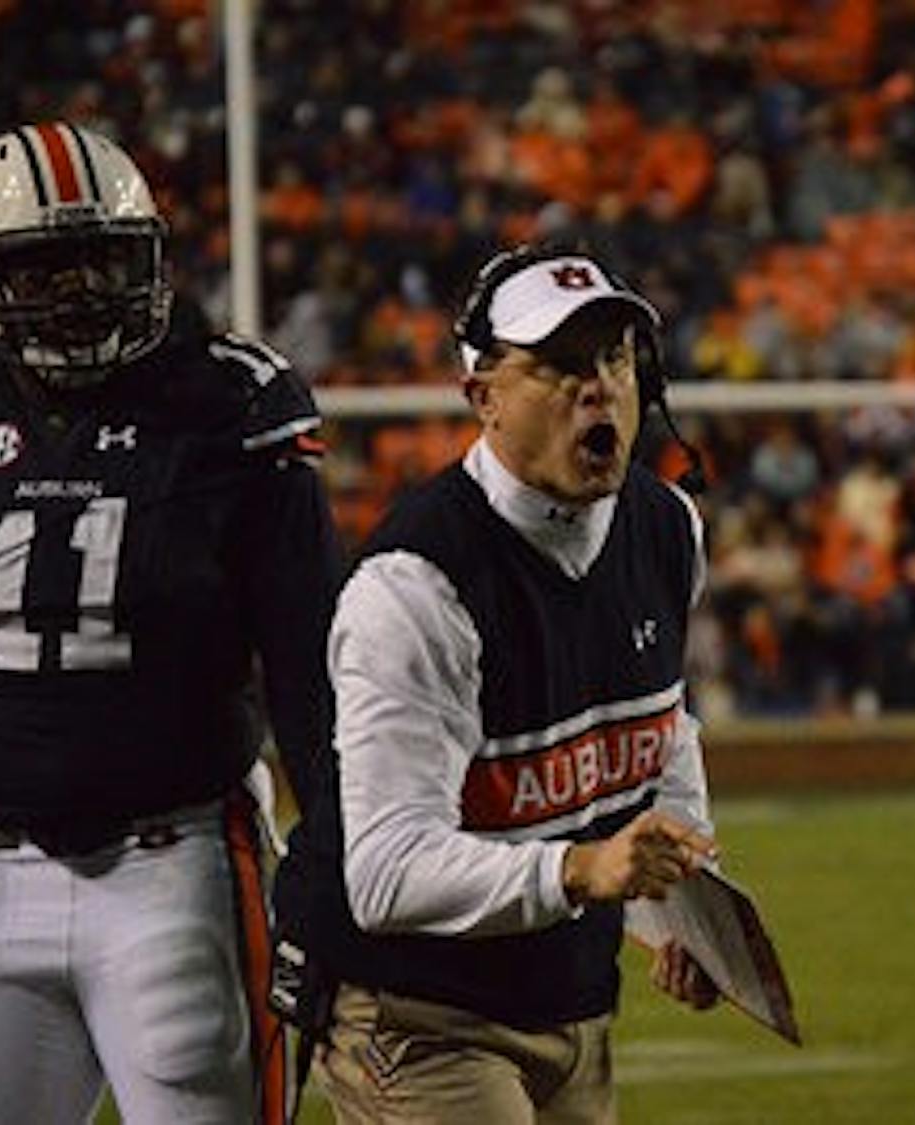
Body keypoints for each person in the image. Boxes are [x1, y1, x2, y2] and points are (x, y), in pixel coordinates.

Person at [0, 123, 344, 1124]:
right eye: (42, 268)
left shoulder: (230, 402)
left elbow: (313, 680)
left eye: (103, 260)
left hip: (179, 867)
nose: (79, 293)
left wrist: (332, 891)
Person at [276, 243, 721, 1123]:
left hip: (569, 994)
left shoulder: (667, 526)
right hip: (414, 1006)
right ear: (483, 397)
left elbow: (660, 729)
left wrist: (689, 908)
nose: (598, 388)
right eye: (557, 365)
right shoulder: (416, 584)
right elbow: (387, 871)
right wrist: (584, 866)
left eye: (614, 357)